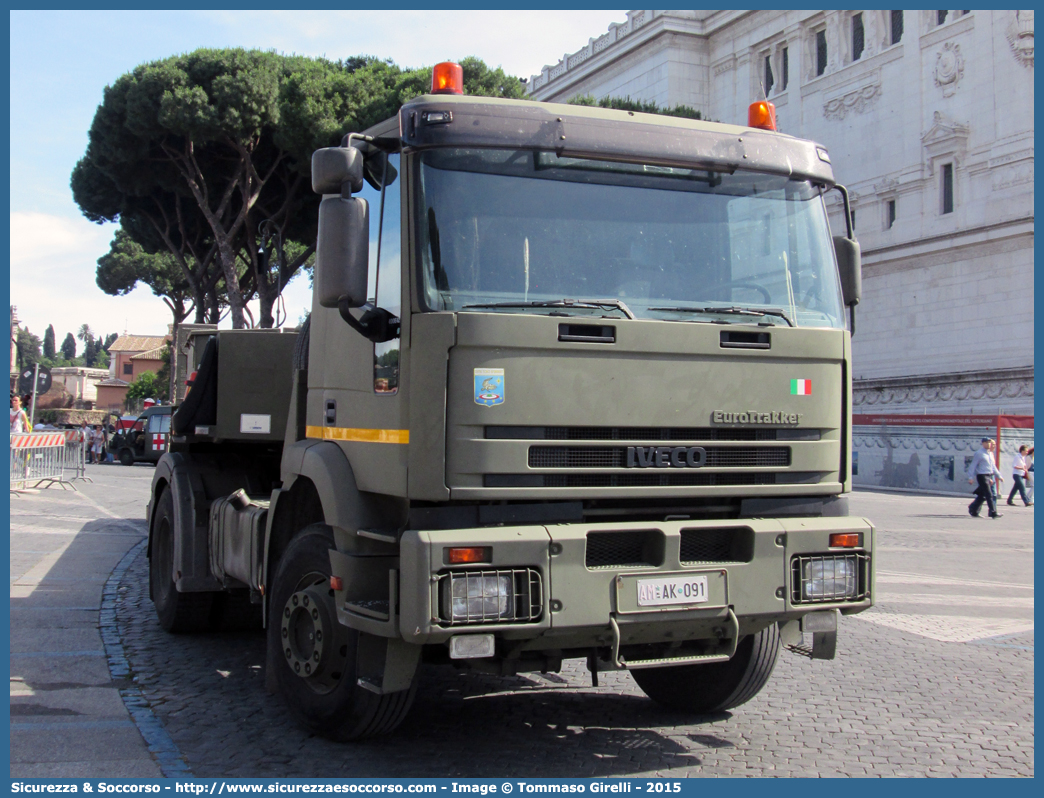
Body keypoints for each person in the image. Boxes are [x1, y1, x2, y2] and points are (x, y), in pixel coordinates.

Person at [967, 437, 1003, 519]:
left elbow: (993, 466)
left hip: (989, 475)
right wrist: (970, 477)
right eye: (986, 442)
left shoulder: (990, 453)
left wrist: (999, 475)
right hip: (982, 476)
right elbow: (973, 466)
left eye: (989, 442)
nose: (988, 444)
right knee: (989, 494)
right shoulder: (979, 453)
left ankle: (973, 508)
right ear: (983, 443)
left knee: (982, 495)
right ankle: (993, 512)